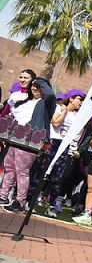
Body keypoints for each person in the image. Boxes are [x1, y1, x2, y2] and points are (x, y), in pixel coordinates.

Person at [1, 77, 55, 212]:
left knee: (22, 171)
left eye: (38, 86)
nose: (34, 88)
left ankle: (20, 202)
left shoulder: (46, 103)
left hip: (31, 141)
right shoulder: (26, 100)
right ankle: (3, 195)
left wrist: (39, 81)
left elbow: (50, 95)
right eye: (33, 86)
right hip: (15, 138)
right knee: (9, 168)